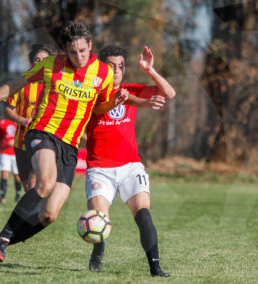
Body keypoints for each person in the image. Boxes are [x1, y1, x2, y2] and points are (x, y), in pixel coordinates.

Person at [0, 21, 126, 269]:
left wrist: (113, 103)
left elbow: (99, 107)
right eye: (72, 52)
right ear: (64, 50)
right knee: (45, 184)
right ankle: (3, 239)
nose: (78, 57)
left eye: (82, 51)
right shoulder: (52, 65)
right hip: (43, 132)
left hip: (70, 147)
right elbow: (13, 85)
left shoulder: (103, 73)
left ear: (90, 46)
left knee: (49, 215)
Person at [84, 45, 176, 277]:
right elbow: (97, 109)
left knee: (143, 211)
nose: (117, 70)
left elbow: (169, 93)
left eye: (121, 66)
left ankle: (155, 267)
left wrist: (150, 70)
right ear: (101, 68)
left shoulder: (130, 89)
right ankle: (99, 248)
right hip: (99, 169)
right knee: (99, 220)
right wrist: (131, 101)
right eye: (111, 66)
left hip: (129, 167)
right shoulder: (89, 91)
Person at [4, 43, 58, 192]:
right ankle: (36, 213)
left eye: (44, 60)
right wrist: (21, 120)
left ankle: (41, 211)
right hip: (21, 142)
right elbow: (7, 110)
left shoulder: (55, 85)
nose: (39, 63)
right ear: (31, 62)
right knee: (28, 187)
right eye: (36, 59)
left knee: (36, 183)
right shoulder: (22, 83)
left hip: (45, 141)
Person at [0, 118, 22, 203]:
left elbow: (23, 136)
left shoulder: (19, 121)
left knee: (17, 176)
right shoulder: (2, 122)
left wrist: (14, 141)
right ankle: (2, 197)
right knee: (4, 174)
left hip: (16, 153)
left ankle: (18, 196)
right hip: (5, 153)